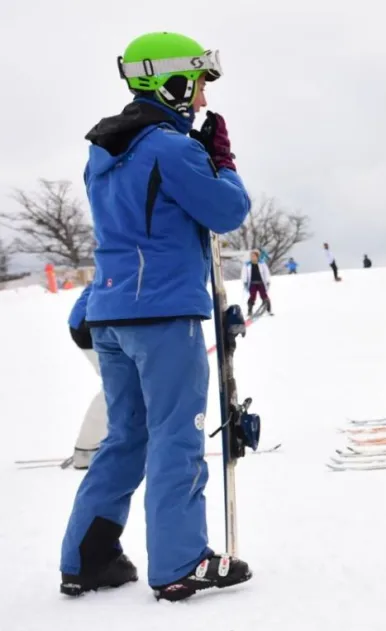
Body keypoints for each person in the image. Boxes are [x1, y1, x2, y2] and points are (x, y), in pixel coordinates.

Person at [60, 31, 252, 602]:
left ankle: (88, 558)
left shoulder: (106, 148)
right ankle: (180, 562)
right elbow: (227, 210)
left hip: (112, 312)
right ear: (167, 80)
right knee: (178, 436)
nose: (199, 99)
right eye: (194, 85)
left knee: (128, 436)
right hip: (161, 314)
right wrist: (222, 160)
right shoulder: (171, 148)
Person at [68, 283, 106, 470]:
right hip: (91, 325)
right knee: (115, 388)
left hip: (101, 320)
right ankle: (86, 448)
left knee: (126, 386)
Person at [242, 249, 272, 316]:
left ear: (257, 256)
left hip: (261, 283)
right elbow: (244, 274)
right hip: (252, 283)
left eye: (254, 256)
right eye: (251, 256)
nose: (252, 257)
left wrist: (267, 281)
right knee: (252, 296)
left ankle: (268, 310)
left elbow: (266, 272)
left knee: (264, 295)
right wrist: (245, 282)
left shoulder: (262, 263)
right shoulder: (247, 264)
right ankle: (250, 311)